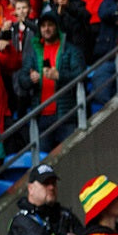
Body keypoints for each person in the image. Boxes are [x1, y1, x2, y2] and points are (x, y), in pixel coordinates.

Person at [13, 11, 85, 152]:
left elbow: (81, 75)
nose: (46, 29)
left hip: (66, 115)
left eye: (50, 25)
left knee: (71, 155)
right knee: (43, 159)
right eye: (43, 26)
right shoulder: (34, 52)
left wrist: (59, 76)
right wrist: (30, 79)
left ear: (57, 27)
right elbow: (22, 79)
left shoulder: (70, 50)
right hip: (42, 117)